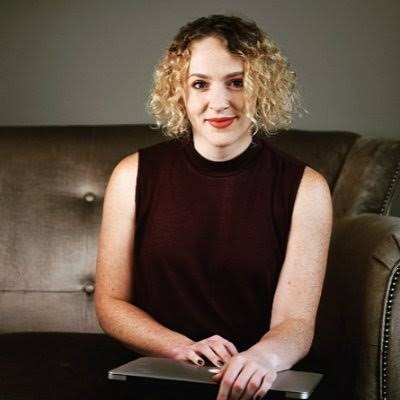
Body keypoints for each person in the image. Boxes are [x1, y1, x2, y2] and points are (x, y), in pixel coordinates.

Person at [95, 14, 332, 400]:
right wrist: (179, 348)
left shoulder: (307, 187)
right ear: (180, 93)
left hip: (255, 379)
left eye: (237, 82)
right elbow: (111, 303)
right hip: (158, 369)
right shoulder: (131, 175)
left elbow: (296, 322)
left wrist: (262, 360)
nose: (218, 102)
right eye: (200, 84)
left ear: (262, 87)